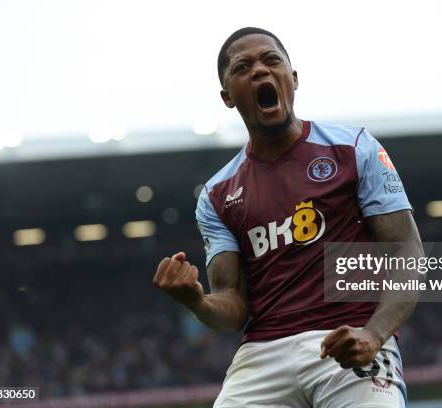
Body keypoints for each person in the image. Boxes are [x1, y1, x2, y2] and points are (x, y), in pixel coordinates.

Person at [153, 27, 423, 407]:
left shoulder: (355, 149)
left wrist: (374, 335)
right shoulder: (217, 195)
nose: (261, 71)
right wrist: (197, 301)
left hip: (350, 338)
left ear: (293, 78)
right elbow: (232, 306)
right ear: (228, 96)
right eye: (243, 66)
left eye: (271, 60)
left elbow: (407, 255)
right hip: (263, 353)